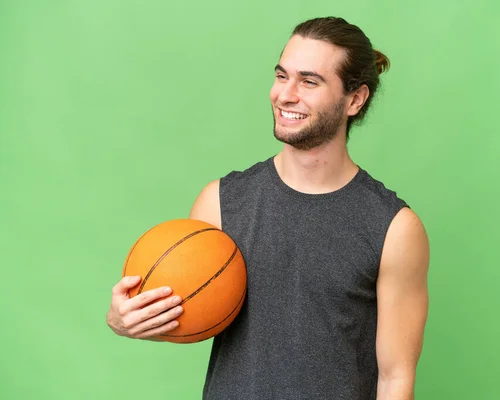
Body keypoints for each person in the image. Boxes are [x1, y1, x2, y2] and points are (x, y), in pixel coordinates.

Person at [107, 17, 430, 400]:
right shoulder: (220, 202)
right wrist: (124, 320)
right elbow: (191, 311)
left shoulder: (394, 227)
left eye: (309, 82)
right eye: (282, 76)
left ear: (355, 99)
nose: (285, 94)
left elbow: (395, 380)